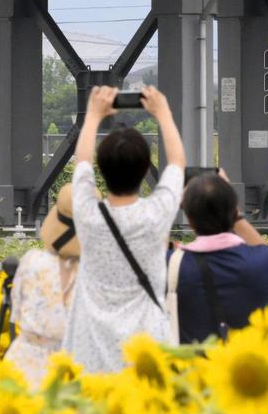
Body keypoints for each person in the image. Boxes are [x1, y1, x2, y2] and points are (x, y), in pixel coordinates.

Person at [63, 85, 186, 373]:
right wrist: (163, 113)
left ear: (102, 172)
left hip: (91, 350)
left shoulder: (88, 214)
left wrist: (92, 116)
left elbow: (81, 164)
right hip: (145, 353)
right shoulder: (155, 215)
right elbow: (178, 163)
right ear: (146, 170)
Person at [168, 172, 268, 344]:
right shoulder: (263, 262)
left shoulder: (173, 265)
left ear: (189, 220)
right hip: (245, 365)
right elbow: (261, 246)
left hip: (191, 368)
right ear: (235, 213)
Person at [4, 184, 81, 388]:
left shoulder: (32, 262)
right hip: (73, 369)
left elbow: (16, 313)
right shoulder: (95, 276)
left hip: (24, 366)